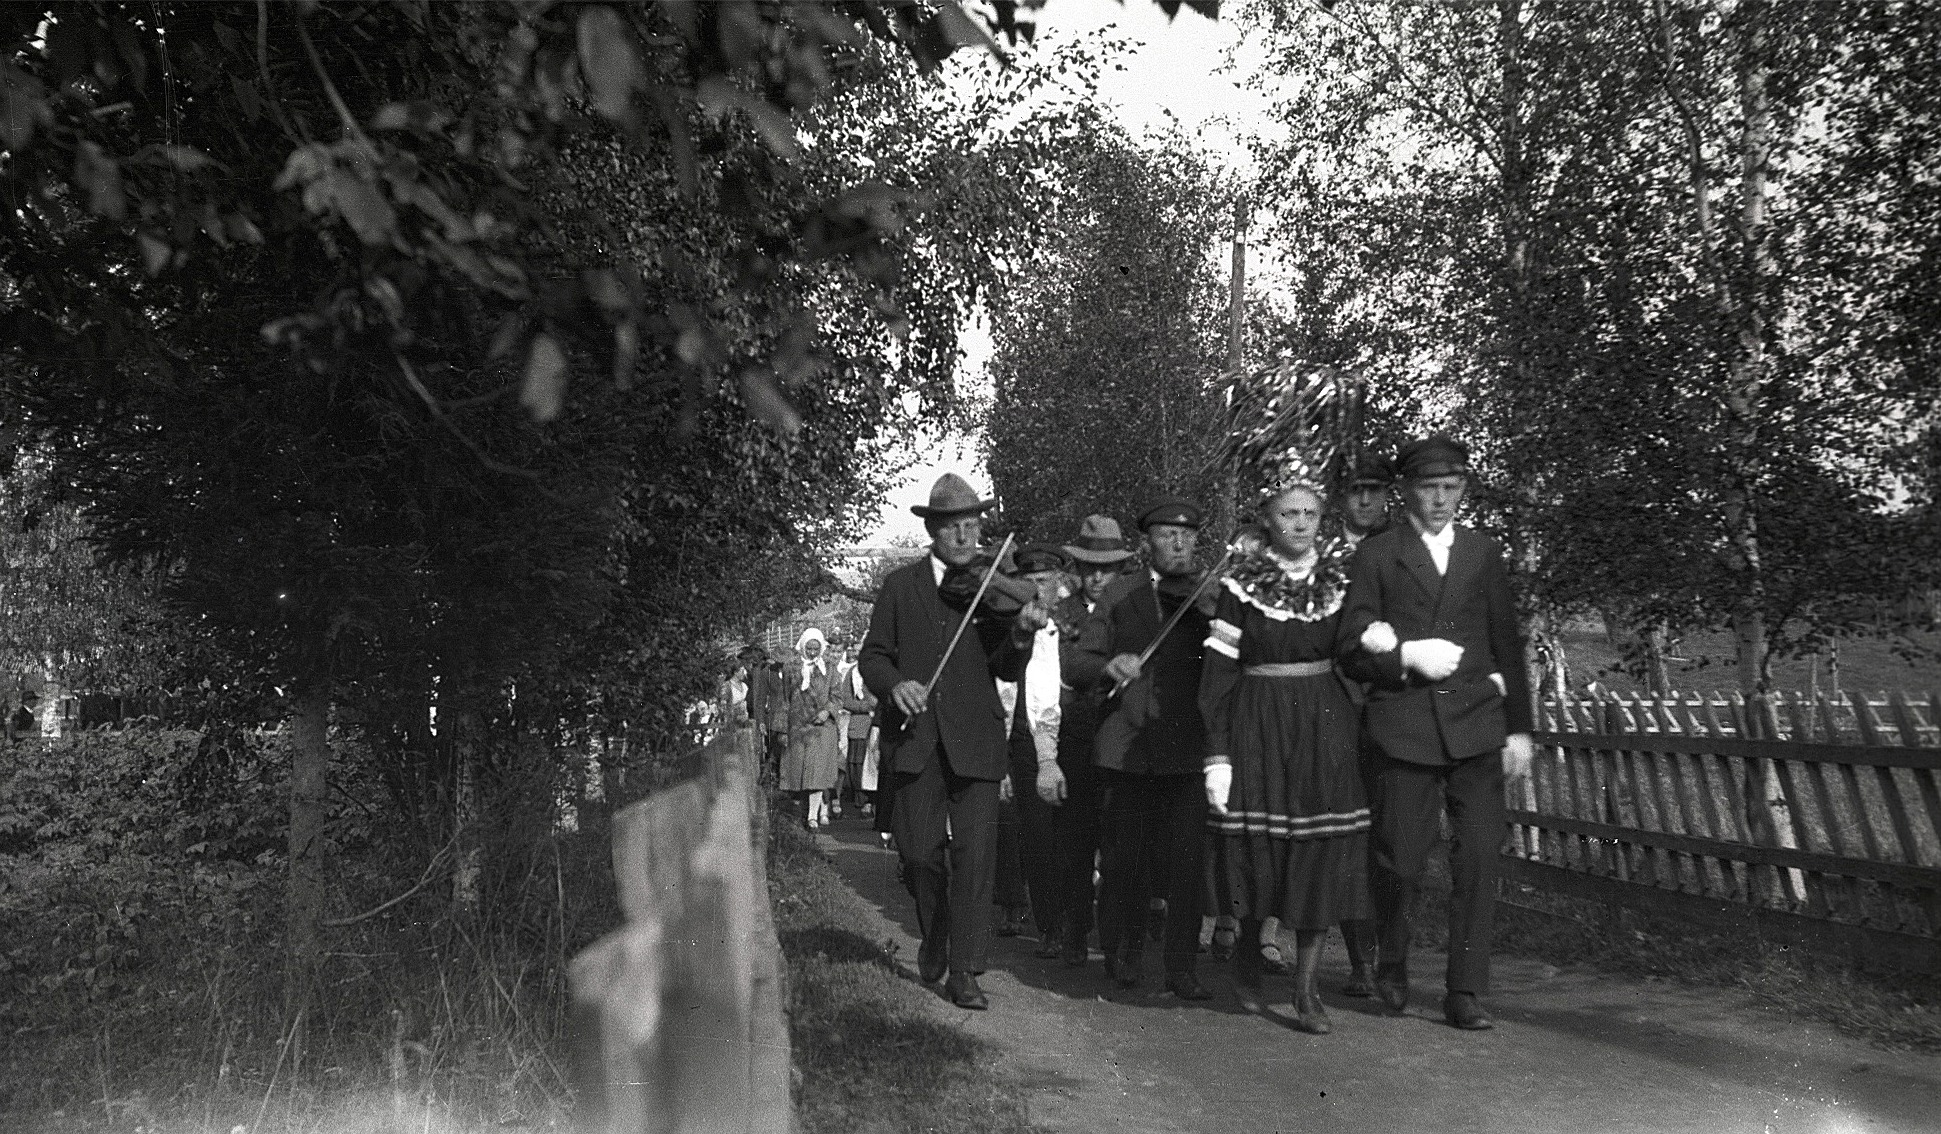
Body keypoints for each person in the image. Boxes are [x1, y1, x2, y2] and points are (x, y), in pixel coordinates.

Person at [1337, 434, 1535, 1031]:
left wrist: (1520, 729)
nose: (1441, 500)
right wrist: (1403, 658)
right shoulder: (1377, 556)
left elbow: (1507, 641)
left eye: (1452, 488)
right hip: (1404, 730)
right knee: (1399, 862)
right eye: (1429, 488)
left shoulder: (1483, 553)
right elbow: (1350, 648)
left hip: (1477, 727)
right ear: (1405, 492)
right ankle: (1391, 961)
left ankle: (1464, 992)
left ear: (1464, 491)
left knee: (1477, 862)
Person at [858, 473, 1048, 1010]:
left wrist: (1022, 633)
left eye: (973, 526)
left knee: (977, 856)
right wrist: (898, 685)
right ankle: (936, 932)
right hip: (916, 739)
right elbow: (871, 657)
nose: (967, 539)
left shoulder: (991, 591)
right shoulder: (900, 587)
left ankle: (965, 970)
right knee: (920, 857)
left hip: (977, 740)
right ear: (933, 531)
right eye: (955, 529)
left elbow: (1006, 669)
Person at [1200, 483, 1371, 1034]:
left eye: (1309, 514)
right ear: (1268, 521)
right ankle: (1249, 953)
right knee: (1261, 851)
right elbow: (1218, 675)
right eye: (1287, 514)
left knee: (1321, 850)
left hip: (1323, 727)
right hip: (1258, 724)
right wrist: (1218, 755)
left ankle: (1306, 989)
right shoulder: (1241, 584)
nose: (1300, 523)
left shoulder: (1342, 580)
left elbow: (1353, 651)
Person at [1072, 496, 1216, 1001]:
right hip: (1127, 746)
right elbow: (1079, 661)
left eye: (1188, 535)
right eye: (1166, 535)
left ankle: (1181, 966)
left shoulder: (1209, 595)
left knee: (1186, 863)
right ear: (1146, 543)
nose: (1179, 543)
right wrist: (1108, 667)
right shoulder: (1121, 595)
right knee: (1123, 860)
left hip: (1186, 747)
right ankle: (1123, 950)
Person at [1048, 514, 1134, 967]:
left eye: (1108, 568)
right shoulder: (1063, 615)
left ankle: (1116, 943)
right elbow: (1068, 665)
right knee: (1076, 844)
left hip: (1122, 740)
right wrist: (1105, 668)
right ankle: (1075, 933)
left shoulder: (1135, 609)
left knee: (1119, 846)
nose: (1098, 577)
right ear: (1077, 570)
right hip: (1079, 737)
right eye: (1089, 568)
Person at [990, 542, 1070, 955]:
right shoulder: (1008, 628)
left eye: (1044, 581)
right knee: (1036, 835)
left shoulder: (1075, 624)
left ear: (1059, 582)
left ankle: (1075, 923)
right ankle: (1050, 926)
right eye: (1029, 583)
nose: (1038, 591)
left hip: (1070, 738)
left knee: (1072, 835)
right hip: (1021, 739)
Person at [1336, 452, 1393, 997]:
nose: (1366, 501)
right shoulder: (1325, 557)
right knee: (1350, 834)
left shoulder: (1403, 553)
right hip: (1337, 708)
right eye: (1355, 490)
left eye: (1375, 490)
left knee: (1392, 835)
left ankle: (1390, 953)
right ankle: (1361, 959)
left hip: (1395, 707)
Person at [781, 627, 843, 829]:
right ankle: (805, 812)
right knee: (800, 773)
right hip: (799, 727)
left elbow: (837, 696)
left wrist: (827, 711)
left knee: (817, 773)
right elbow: (784, 699)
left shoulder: (830, 668)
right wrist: (783, 728)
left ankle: (812, 816)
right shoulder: (791, 668)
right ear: (803, 646)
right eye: (810, 648)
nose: (813, 652)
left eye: (817, 648)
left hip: (822, 727)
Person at [837, 646, 878, 818]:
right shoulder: (852, 674)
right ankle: (861, 799)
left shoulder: (879, 671)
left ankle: (872, 801)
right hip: (858, 724)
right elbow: (844, 699)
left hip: (876, 724)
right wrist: (863, 706)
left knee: (874, 766)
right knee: (856, 765)